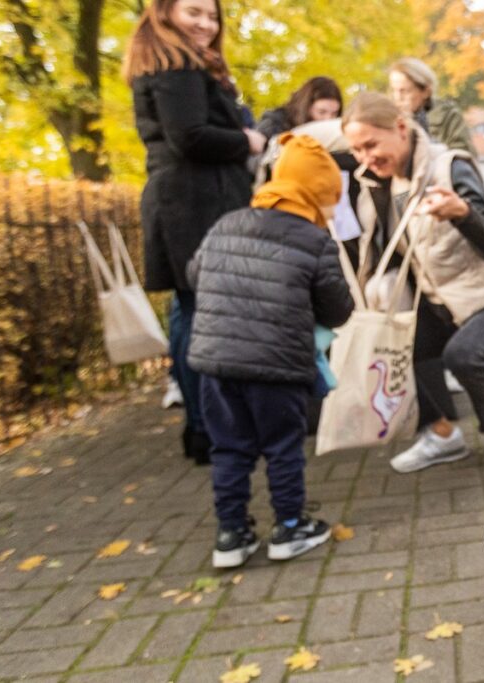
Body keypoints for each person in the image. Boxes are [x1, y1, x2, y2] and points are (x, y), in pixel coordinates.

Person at [186, 133, 354, 568]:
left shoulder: (226, 223)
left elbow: (193, 275)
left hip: (215, 364)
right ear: (319, 194)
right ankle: (290, 528)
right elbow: (338, 309)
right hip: (277, 366)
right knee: (282, 446)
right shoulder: (314, 241)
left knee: (229, 448)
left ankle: (231, 535)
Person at [123, 0, 266, 464]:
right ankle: (214, 428)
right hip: (194, 206)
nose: (206, 23)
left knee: (192, 315)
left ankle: (207, 428)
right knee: (204, 317)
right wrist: (247, 140)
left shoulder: (172, 62)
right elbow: (190, 137)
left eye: (211, 15)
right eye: (194, 13)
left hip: (188, 203)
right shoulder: (177, 64)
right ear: (164, 13)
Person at [341, 93, 484, 473]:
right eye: (356, 150)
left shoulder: (450, 167)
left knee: (464, 355)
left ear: (400, 128)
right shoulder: (375, 185)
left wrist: (462, 213)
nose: (365, 158)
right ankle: (442, 434)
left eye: (370, 144)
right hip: (440, 300)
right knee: (393, 342)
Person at [388, 58, 478, 158]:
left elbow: (465, 155)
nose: (398, 97)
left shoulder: (448, 115)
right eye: (394, 90)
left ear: (426, 92)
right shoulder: (388, 117)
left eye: (405, 91)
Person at [256, 76, 343, 141]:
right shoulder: (274, 124)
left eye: (334, 113)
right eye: (321, 112)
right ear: (306, 107)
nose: (328, 119)